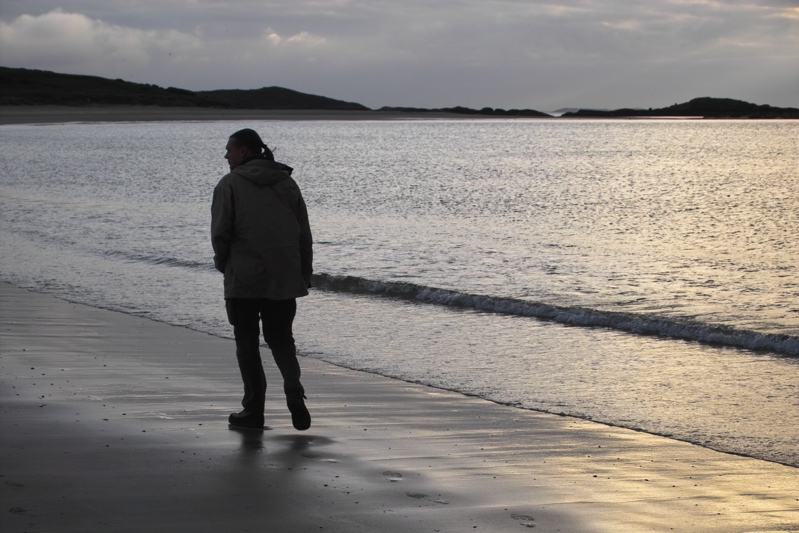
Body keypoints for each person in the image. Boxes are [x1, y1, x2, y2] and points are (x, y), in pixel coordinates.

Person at [211, 128, 313, 430]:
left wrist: (223, 263)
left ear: (243, 151)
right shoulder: (287, 183)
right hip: (284, 275)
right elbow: (304, 234)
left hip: (244, 276)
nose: (226, 156)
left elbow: (220, 233)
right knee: (281, 339)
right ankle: (293, 389)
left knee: (247, 342)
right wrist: (304, 272)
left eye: (229, 150)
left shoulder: (230, 183)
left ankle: (253, 410)